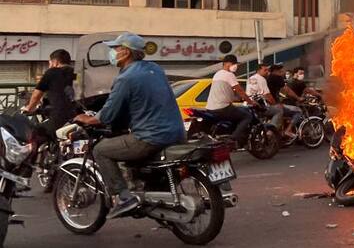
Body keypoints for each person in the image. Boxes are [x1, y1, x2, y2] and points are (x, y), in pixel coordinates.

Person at [73, 33, 185, 219]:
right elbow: (141, 102)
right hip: (177, 132)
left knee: (101, 150)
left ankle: (124, 197)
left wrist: (87, 119)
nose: (113, 52)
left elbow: (107, 115)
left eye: (115, 49)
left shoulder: (126, 78)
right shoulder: (155, 69)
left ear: (125, 52)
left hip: (151, 137)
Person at [22, 49, 77, 137]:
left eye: (49, 63)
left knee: (34, 133)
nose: (49, 65)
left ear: (55, 62)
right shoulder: (77, 73)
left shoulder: (51, 72)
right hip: (77, 115)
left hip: (59, 116)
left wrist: (29, 108)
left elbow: (37, 93)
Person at [206, 55, 257, 146]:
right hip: (222, 108)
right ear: (226, 63)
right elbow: (240, 90)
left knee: (237, 111)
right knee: (247, 116)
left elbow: (224, 92)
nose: (235, 66)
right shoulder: (229, 75)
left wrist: (237, 98)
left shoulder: (217, 74)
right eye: (233, 64)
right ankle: (233, 138)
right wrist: (251, 102)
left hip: (210, 108)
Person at [268, 64, 303, 138]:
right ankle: (288, 130)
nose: (282, 72)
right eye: (281, 71)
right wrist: (298, 98)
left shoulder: (267, 77)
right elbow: (286, 90)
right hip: (274, 105)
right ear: (276, 71)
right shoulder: (277, 77)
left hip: (266, 104)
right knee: (298, 111)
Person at [246, 62, 283, 128]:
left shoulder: (249, 78)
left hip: (249, 105)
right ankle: (271, 130)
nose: (267, 72)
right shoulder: (262, 79)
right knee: (279, 110)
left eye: (267, 70)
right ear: (258, 70)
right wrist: (275, 104)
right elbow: (267, 95)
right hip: (259, 106)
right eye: (265, 70)